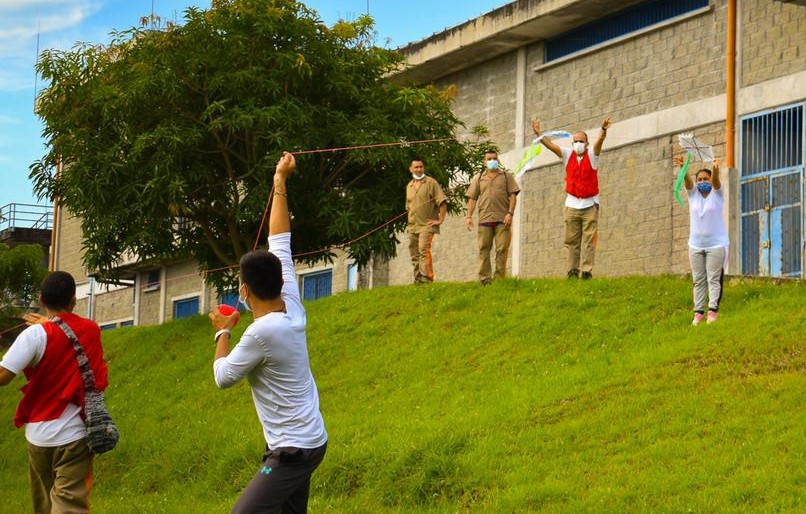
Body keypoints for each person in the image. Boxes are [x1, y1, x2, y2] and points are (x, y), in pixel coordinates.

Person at [209, 151, 328, 514]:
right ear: (279, 279)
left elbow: (223, 377)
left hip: (292, 450)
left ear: (244, 291)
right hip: (309, 440)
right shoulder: (290, 299)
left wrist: (222, 333)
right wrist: (280, 182)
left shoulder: (262, 332)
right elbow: (280, 240)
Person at [0, 271, 108, 514]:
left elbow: (3, 377)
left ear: (40, 299)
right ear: (73, 300)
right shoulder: (92, 330)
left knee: (44, 505)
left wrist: (45, 327)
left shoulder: (34, 335)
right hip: (75, 434)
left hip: (38, 436)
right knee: (69, 506)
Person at [531, 117, 612, 279]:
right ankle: (572, 271)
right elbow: (551, 146)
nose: (578, 144)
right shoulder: (568, 155)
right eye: (575, 141)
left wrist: (603, 130)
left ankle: (587, 271)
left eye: (581, 141)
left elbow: (599, 143)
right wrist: (539, 134)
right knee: (572, 241)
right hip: (572, 204)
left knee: (589, 241)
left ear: (586, 143)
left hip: (590, 204)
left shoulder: (592, 155)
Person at [675, 155, 728, 325]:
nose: (702, 181)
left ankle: (712, 311)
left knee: (713, 278)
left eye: (706, 178)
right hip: (695, 245)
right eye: (700, 179)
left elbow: (717, 180)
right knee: (698, 280)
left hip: (716, 245)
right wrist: (684, 169)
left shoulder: (717, 194)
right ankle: (698, 313)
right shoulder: (693, 195)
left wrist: (715, 168)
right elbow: (688, 182)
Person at [465, 149, 521, 285]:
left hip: (503, 219)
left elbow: (513, 196)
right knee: (484, 249)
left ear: (498, 160)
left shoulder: (506, 176)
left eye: (494, 158)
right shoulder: (478, 178)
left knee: (502, 249)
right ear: (484, 162)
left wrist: (510, 213)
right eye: (489, 159)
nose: (492, 161)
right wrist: (469, 216)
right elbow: (472, 198)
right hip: (485, 219)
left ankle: (499, 278)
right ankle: (485, 278)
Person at [406, 157, 448, 284]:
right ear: (411, 169)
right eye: (416, 167)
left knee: (423, 250)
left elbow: (442, 202)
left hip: (427, 225)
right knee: (414, 254)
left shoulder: (431, 182)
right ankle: (418, 280)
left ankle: (427, 279)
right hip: (413, 225)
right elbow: (408, 207)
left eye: (421, 167)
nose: (419, 169)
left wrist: (440, 220)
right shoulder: (409, 185)